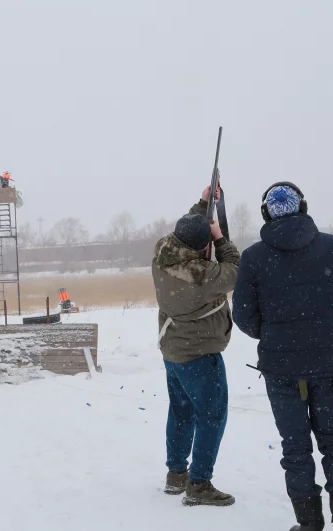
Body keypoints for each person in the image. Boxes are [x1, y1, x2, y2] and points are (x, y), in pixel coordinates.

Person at [231, 183, 333, 530]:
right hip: (330, 365)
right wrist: (324, 328)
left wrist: (276, 334)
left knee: (296, 448)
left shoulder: (253, 257)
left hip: (281, 369)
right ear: (302, 207)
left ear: (265, 213)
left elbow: (243, 315)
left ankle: (309, 525)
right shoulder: (332, 247)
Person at [151, 184, 240, 507]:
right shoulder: (203, 274)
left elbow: (187, 227)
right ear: (202, 250)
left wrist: (204, 204)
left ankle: (176, 475)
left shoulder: (163, 251)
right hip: (199, 354)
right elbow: (235, 269)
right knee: (212, 416)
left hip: (172, 350)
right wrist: (219, 238)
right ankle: (199, 483)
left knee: (181, 411)